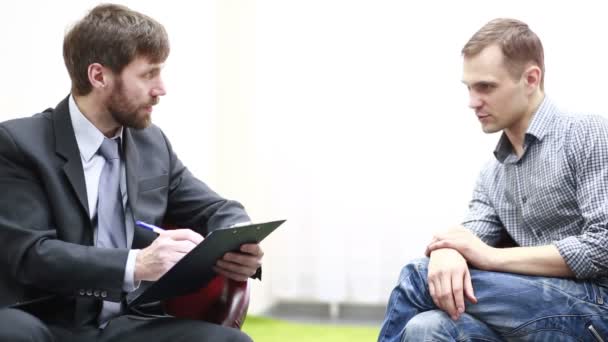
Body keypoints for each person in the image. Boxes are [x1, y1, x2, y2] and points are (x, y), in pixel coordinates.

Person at [0, 4, 261, 341]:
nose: (161, 88)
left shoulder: (152, 144)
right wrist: (136, 264)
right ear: (99, 76)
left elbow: (215, 209)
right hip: (46, 320)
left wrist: (240, 238)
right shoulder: (19, 144)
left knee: (232, 341)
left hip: (129, 323)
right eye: (148, 74)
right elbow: (32, 254)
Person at [378, 18, 608, 341]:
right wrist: (447, 251)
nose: (473, 101)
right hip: (528, 314)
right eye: (469, 88)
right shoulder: (492, 175)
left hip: (595, 310)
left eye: (485, 87)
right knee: (425, 328)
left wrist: (491, 257)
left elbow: (602, 246)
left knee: (417, 276)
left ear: (530, 79)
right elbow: (469, 237)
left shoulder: (587, 134)